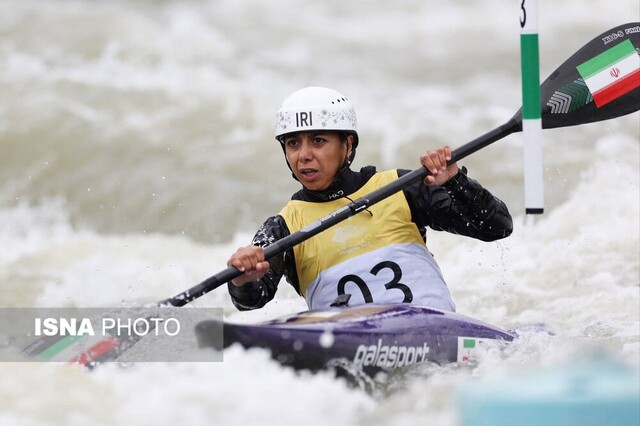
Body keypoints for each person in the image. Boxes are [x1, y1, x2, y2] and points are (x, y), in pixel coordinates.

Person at [226, 86, 512, 312]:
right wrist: (243, 277)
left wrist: (455, 182)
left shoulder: (402, 187)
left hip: (434, 327)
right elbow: (251, 300)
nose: (303, 155)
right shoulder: (283, 227)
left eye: (318, 140)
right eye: (293, 143)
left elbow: (497, 227)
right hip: (350, 344)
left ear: (347, 144)